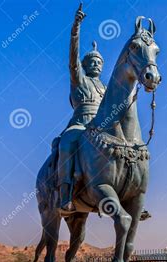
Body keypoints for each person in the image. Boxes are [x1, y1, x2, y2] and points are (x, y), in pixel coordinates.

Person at [58, 4, 106, 215]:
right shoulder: (79, 79)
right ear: (84, 65)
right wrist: (75, 28)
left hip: (102, 126)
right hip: (80, 123)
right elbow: (72, 58)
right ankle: (65, 194)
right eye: (92, 61)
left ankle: (130, 195)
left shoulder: (105, 88)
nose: (95, 64)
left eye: (99, 62)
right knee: (67, 143)